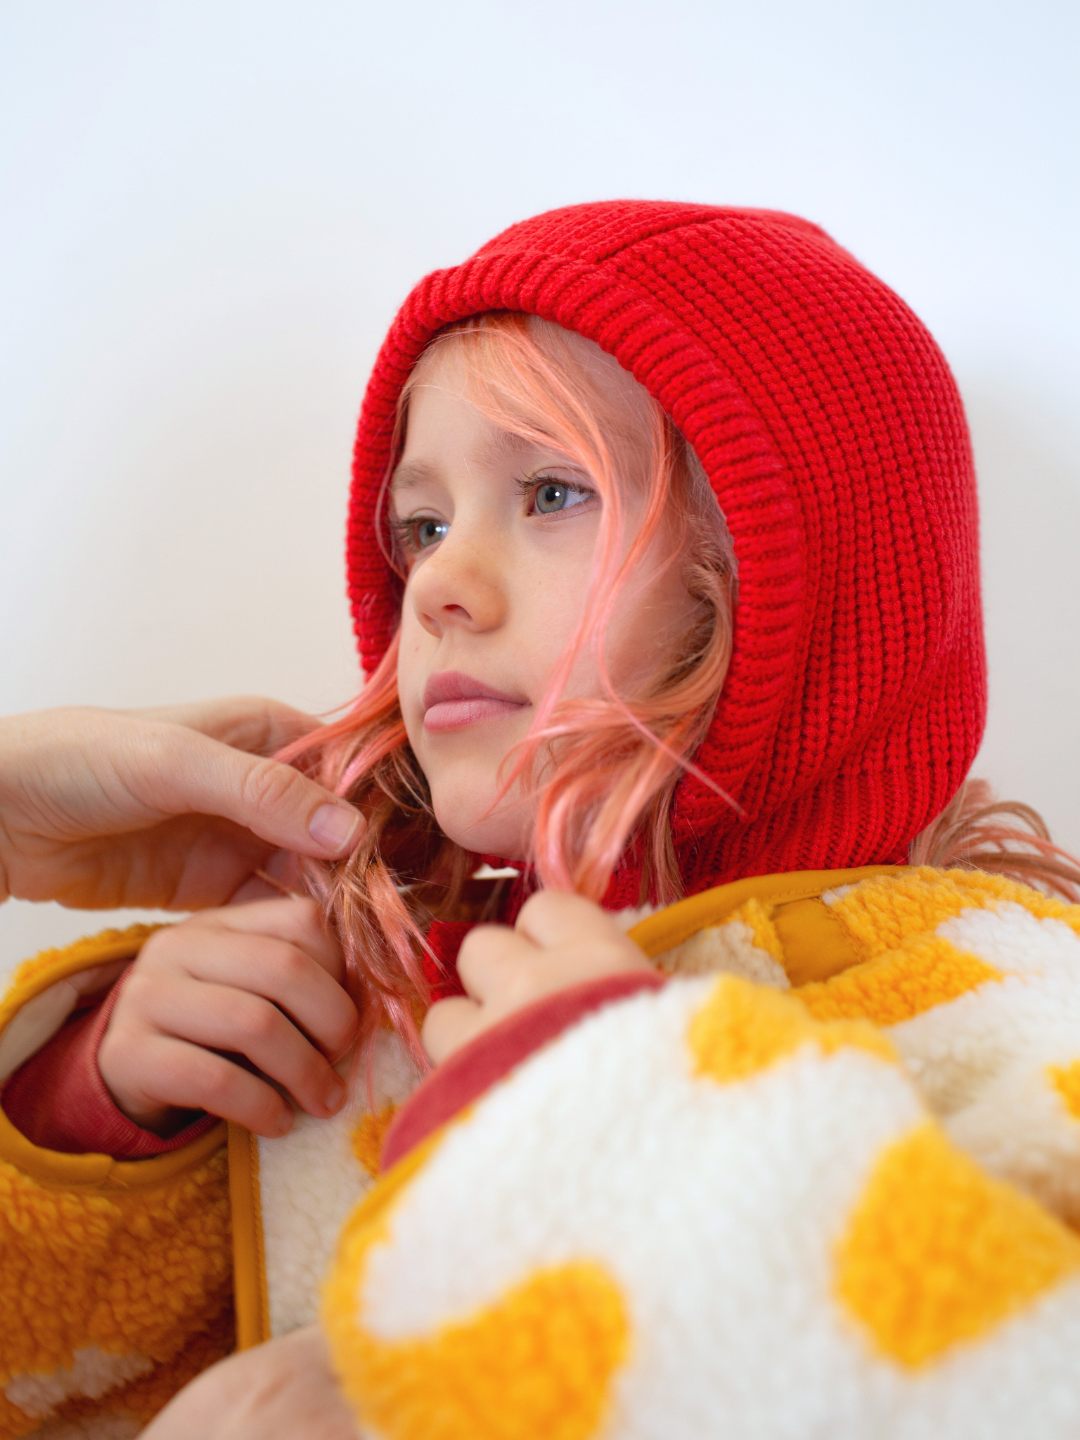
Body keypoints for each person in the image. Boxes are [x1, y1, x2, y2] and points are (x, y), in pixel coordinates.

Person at [4, 201, 1080, 1440]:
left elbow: (1008, 1379)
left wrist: (637, 1127)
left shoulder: (998, 1002)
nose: (441, 586)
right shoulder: (380, 992)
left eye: (555, 492)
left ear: (798, 565)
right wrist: (94, 1114)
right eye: (423, 524)